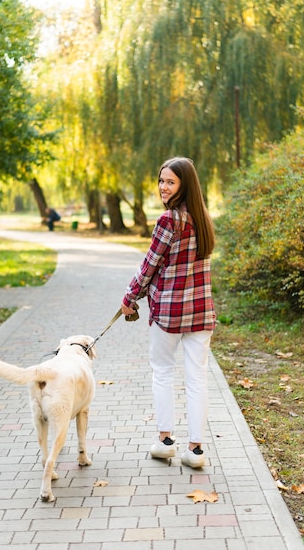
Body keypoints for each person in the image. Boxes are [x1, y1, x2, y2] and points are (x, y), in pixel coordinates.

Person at [121, 157, 216, 468]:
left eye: (170, 182)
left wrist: (130, 296)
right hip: (201, 311)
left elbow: (149, 266)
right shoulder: (203, 219)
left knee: (162, 372)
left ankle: (165, 442)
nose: (163, 187)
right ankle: (196, 450)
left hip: (170, 313)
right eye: (161, 180)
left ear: (183, 185)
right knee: (197, 377)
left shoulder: (168, 220)